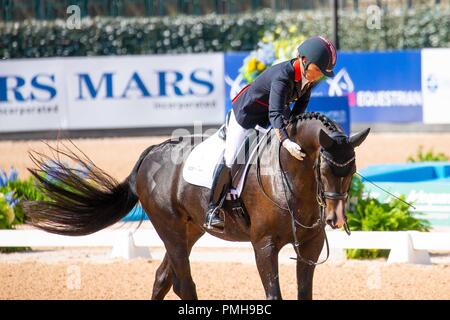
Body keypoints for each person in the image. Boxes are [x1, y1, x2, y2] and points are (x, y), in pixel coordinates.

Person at [204, 36, 337, 231]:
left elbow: (298, 111)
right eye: (317, 70)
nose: (318, 75)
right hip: (246, 116)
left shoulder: (308, 79)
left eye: (321, 73)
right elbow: (275, 112)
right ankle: (212, 209)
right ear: (304, 60)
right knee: (232, 157)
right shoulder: (283, 76)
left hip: (267, 119)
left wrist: (293, 132)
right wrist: (285, 140)